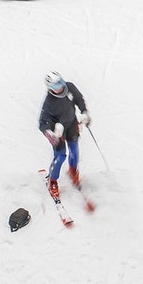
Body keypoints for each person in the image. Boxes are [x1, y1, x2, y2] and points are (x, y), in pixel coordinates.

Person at [39, 71, 91, 199]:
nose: (60, 87)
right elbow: (42, 123)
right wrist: (51, 134)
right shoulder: (49, 102)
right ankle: (53, 180)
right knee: (61, 156)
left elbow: (79, 99)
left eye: (61, 83)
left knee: (74, 150)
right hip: (58, 131)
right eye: (56, 86)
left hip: (72, 125)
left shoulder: (70, 87)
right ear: (50, 88)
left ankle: (73, 171)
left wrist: (84, 112)